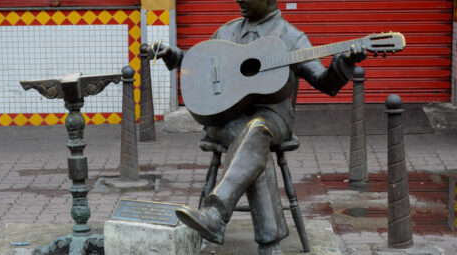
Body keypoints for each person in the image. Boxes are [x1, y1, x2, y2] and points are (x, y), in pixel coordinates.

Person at [147, 0, 366, 254]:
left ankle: (216, 213)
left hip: (274, 117)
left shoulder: (292, 38)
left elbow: (324, 83)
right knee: (253, 138)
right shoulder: (227, 31)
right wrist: (174, 56)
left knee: (257, 129)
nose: (239, 0)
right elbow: (199, 63)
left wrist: (344, 64)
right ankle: (269, 244)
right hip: (224, 118)